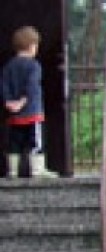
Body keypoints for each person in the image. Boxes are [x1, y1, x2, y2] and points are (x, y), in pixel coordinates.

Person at [2, 26, 55, 178]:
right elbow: (31, 86)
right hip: (32, 113)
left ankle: (12, 171)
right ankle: (37, 171)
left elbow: (4, 85)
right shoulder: (34, 66)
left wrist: (9, 102)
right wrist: (23, 101)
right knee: (35, 143)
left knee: (14, 143)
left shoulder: (8, 66)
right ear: (32, 46)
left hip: (14, 115)